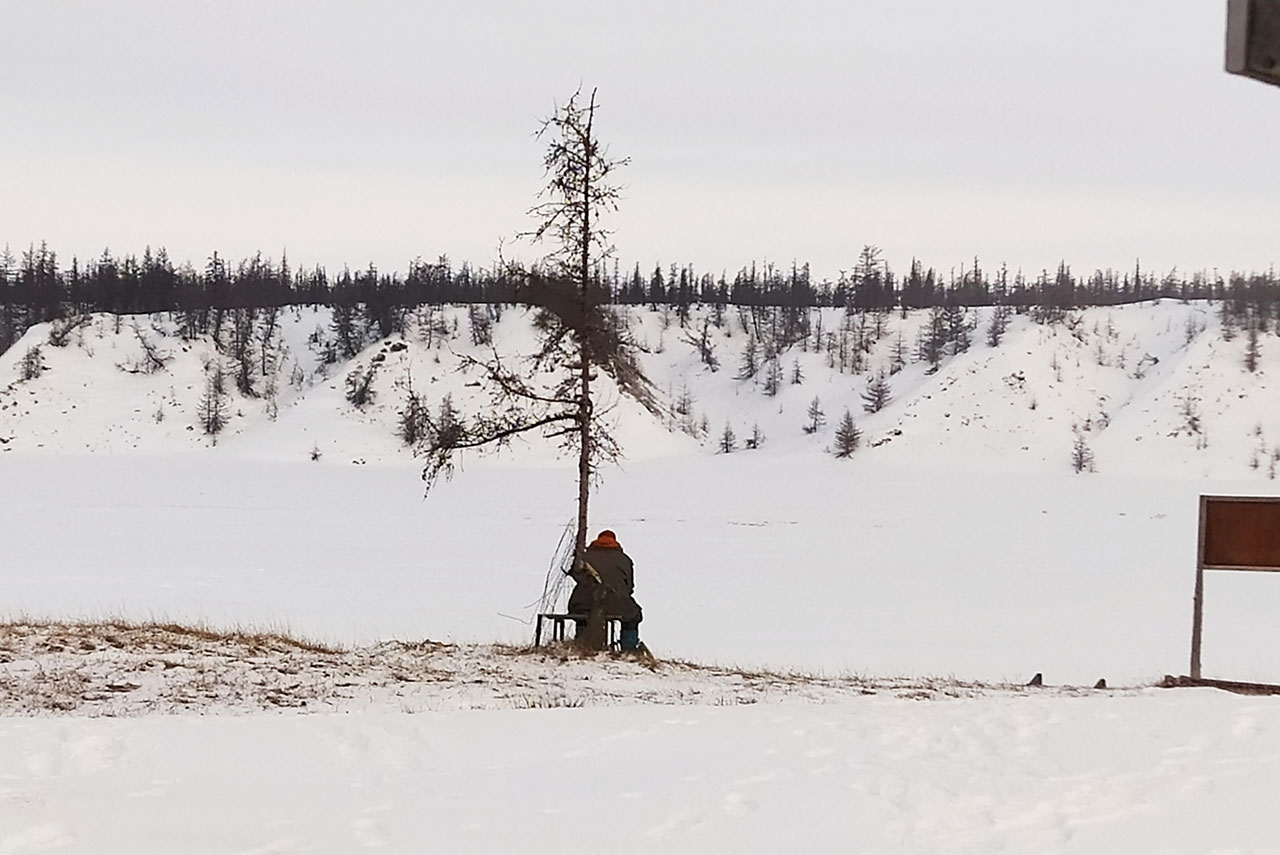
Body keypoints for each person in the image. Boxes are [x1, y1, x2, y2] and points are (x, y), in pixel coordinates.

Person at [568, 529, 643, 651]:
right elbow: (629, 587)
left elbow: (576, 576)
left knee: (582, 614)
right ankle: (629, 649)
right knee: (633, 615)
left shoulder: (584, 557)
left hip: (582, 603)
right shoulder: (624, 559)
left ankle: (582, 643)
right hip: (615, 602)